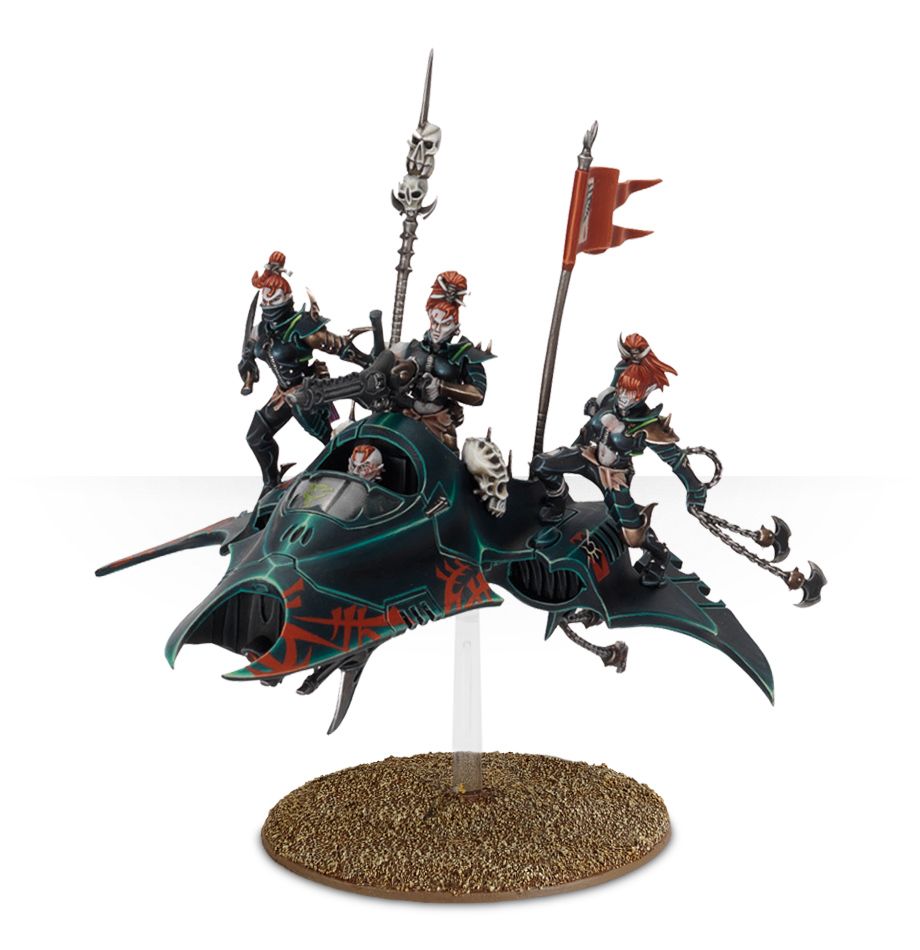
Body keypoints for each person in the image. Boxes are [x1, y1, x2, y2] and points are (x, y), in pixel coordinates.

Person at [531, 333, 707, 587]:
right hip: (588, 456)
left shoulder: (646, 427)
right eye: (623, 389)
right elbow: (589, 428)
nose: (624, 396)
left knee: (632, 536)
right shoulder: (608, 400)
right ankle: (558, 499)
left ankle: (659, 555)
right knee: (542, 464)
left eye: (631, 393)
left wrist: (695, 489)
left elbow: (676, 459)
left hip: (614, 475)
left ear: (644, 393)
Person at [239, 251, 370, 490]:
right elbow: (250, 351)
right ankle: (271, 484)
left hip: (307, 392)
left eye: (272, 295)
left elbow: (338, 346)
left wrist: (367, 362)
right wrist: (247, 365)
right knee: (256, 437)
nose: (267, 301)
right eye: (265, 296)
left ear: (285, 296)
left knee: (328, 441)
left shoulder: (301, 326)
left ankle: (353, 478)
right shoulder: (263, 329)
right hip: (282, 395)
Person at [389, 271, 492, 452]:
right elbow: (381, 366)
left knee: (446, 460)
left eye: (445, 324)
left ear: (456, 327)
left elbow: (477, 395)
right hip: (405, 414)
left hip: (440, 423)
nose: (437, 329)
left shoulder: (464, 354)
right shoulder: (410, 348)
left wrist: (442, 387)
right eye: (435, 322)